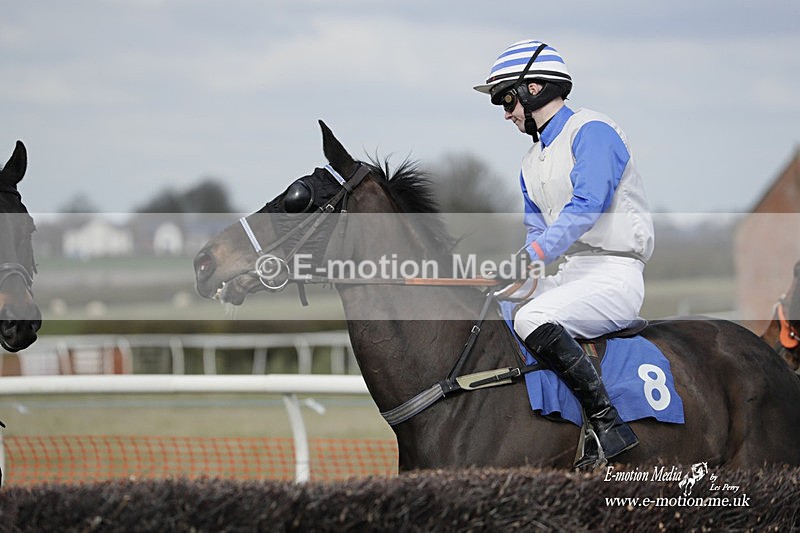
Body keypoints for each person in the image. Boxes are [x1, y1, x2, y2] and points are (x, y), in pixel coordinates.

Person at [474, 39, 655, 467]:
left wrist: (532, 256)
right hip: (572, 273)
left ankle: (606, 424)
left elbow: (587, 206)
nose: (506, 113)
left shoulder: (593, 131)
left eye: (506, 99)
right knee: (500, 307)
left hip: (615, 274)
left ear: (534, 88)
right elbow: (537, 231)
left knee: (532, 318)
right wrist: (519, 274)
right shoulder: (529, 162)